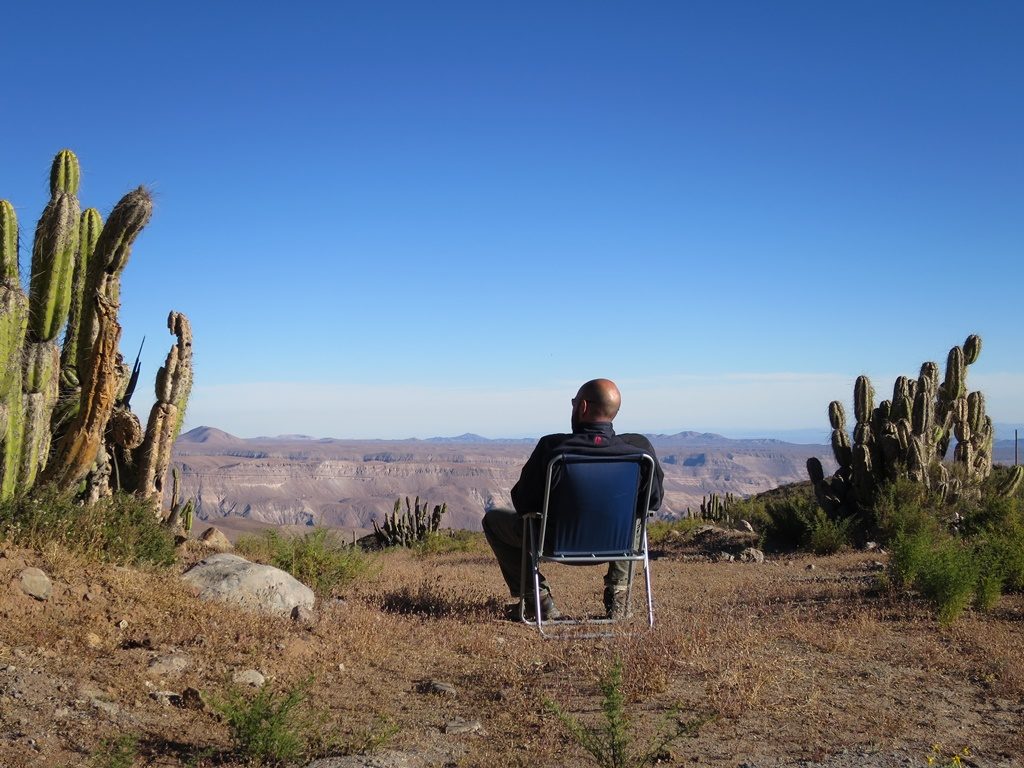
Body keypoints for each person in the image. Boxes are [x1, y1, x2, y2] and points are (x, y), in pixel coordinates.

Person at [482, 378, 664, 620]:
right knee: (636, 516)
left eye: (574, 402)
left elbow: (523, 503)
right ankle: (619, 599)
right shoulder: (639, 451)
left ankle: (540, 602)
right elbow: (653, 503)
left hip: (555, 543)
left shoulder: (553, 449)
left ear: (583, 407)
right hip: (619, 544)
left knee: (493, 520)